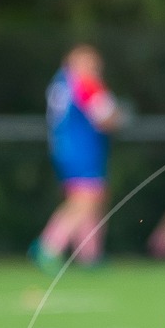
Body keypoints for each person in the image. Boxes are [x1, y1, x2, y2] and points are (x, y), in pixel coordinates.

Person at [34, 45, 124, 273]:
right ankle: (48, 247)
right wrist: (120, 117)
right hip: (82, 150)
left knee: (88, 199)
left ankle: (90, 255)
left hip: (65, 149)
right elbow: (105, 118)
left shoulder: (61, 82)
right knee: (86, 200)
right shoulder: (84, 83)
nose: (96, 69)